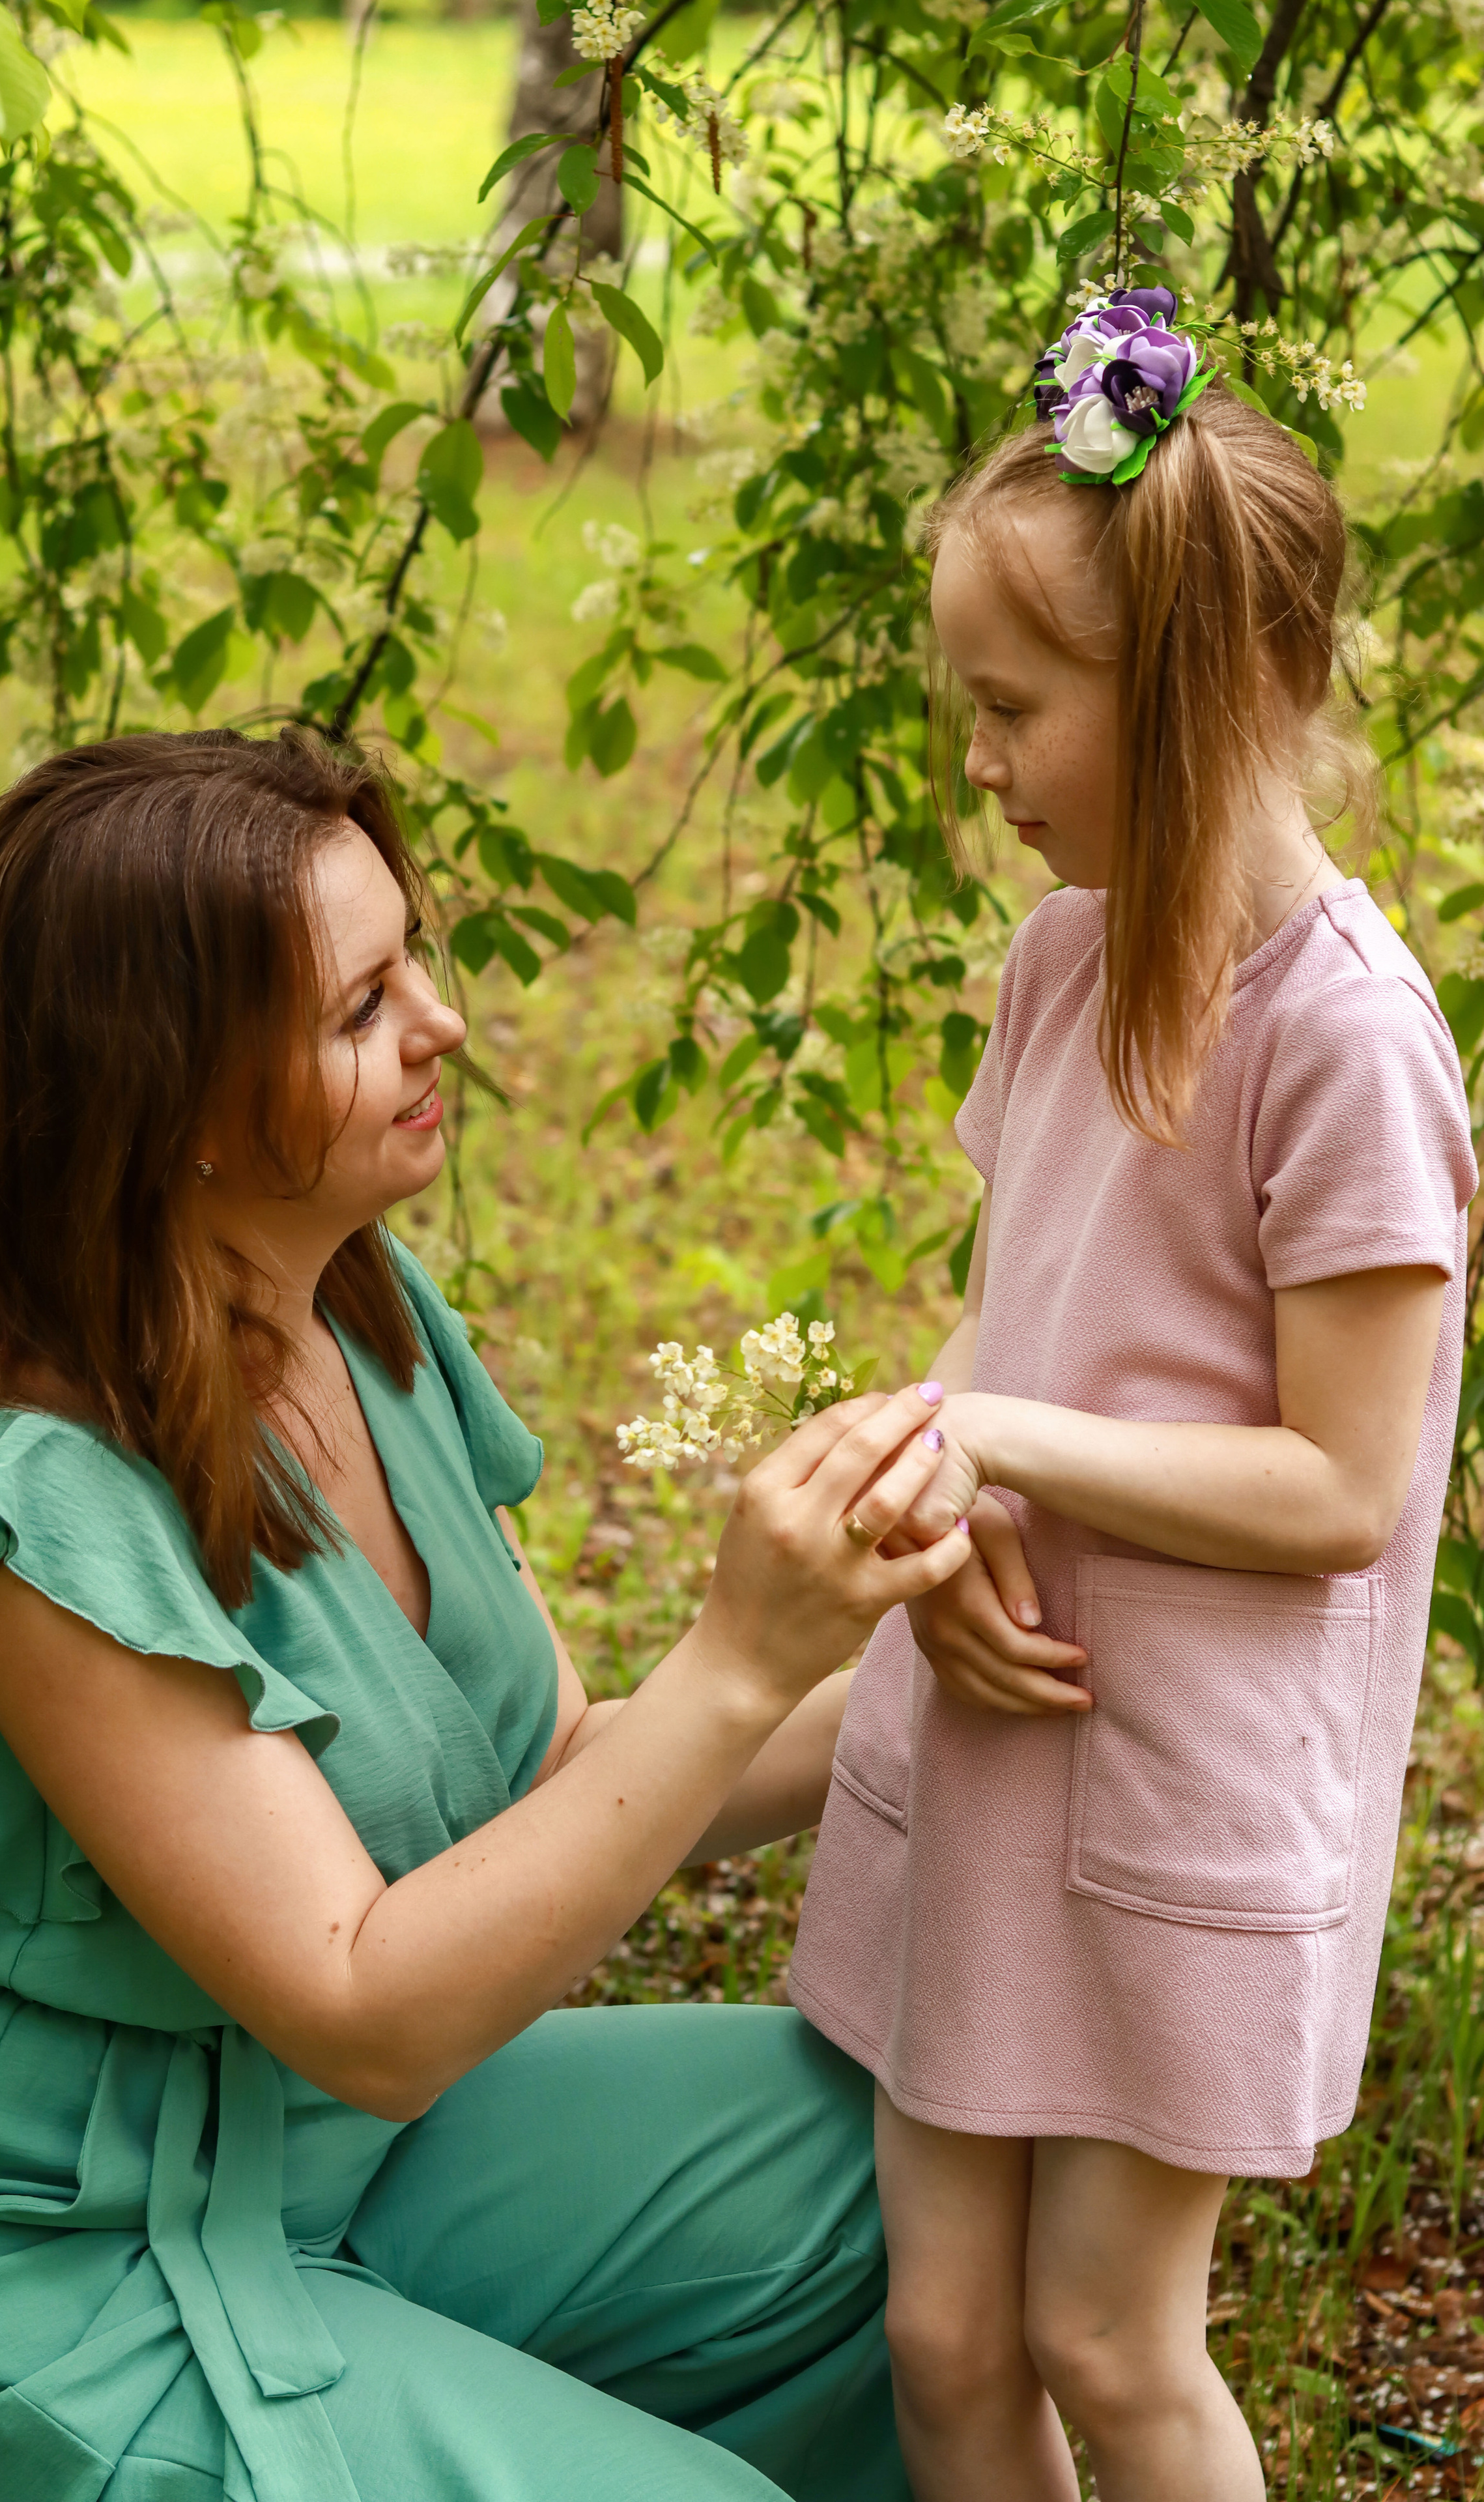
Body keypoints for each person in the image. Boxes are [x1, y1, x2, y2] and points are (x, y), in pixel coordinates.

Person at [0, 727, 975, 2502]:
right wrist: (741, 1650)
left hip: (345, 2158)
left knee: (913, 2164)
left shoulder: (360, 1317)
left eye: (416, 962)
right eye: (359, 1006)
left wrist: (938, 1671)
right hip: (65, 2272)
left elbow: (561, 1767)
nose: (443, 1024)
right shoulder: (22, 1510)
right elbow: (367, 2001)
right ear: (179, 1099)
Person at [787, 292, 1478, 2501]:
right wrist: (945, 1498)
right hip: (995, 1717)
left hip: (1179, 1773)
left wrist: (992, 1444)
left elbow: (1344, 1485)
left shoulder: (1344, 1037)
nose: (972, 758)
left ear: (1183, 696)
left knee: (1106, 2328)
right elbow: (1014, 1319)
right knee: (946, 2329)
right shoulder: (1063, 954)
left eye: (1009, 706)